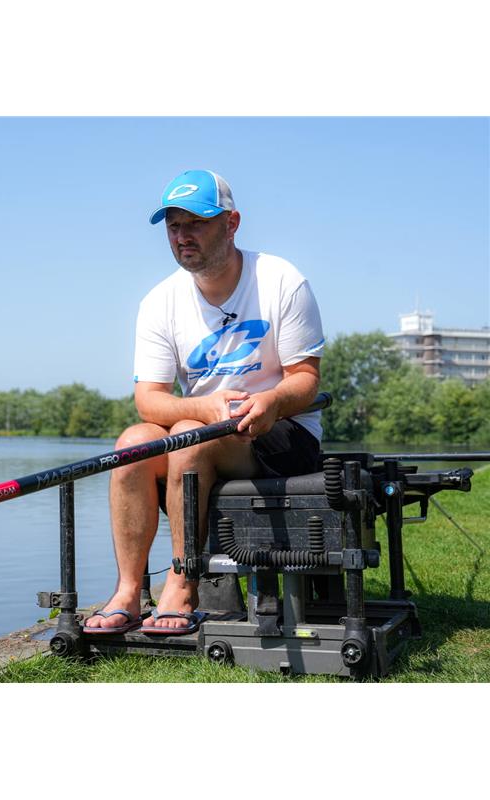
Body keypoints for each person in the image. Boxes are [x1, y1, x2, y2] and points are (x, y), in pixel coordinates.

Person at [84, 169, 325, 634]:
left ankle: (181, 584)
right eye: (174, 226)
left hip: (281, 434)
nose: (182, 236)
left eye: (196, 223)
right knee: (133, 444)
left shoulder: (281, 279)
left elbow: (306, 379)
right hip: (200, 432)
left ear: (232, 224)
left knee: (187, 438)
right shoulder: (159, 301)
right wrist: (206, 407)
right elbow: (149, 401)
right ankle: (128, 591)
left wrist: (273, 401)